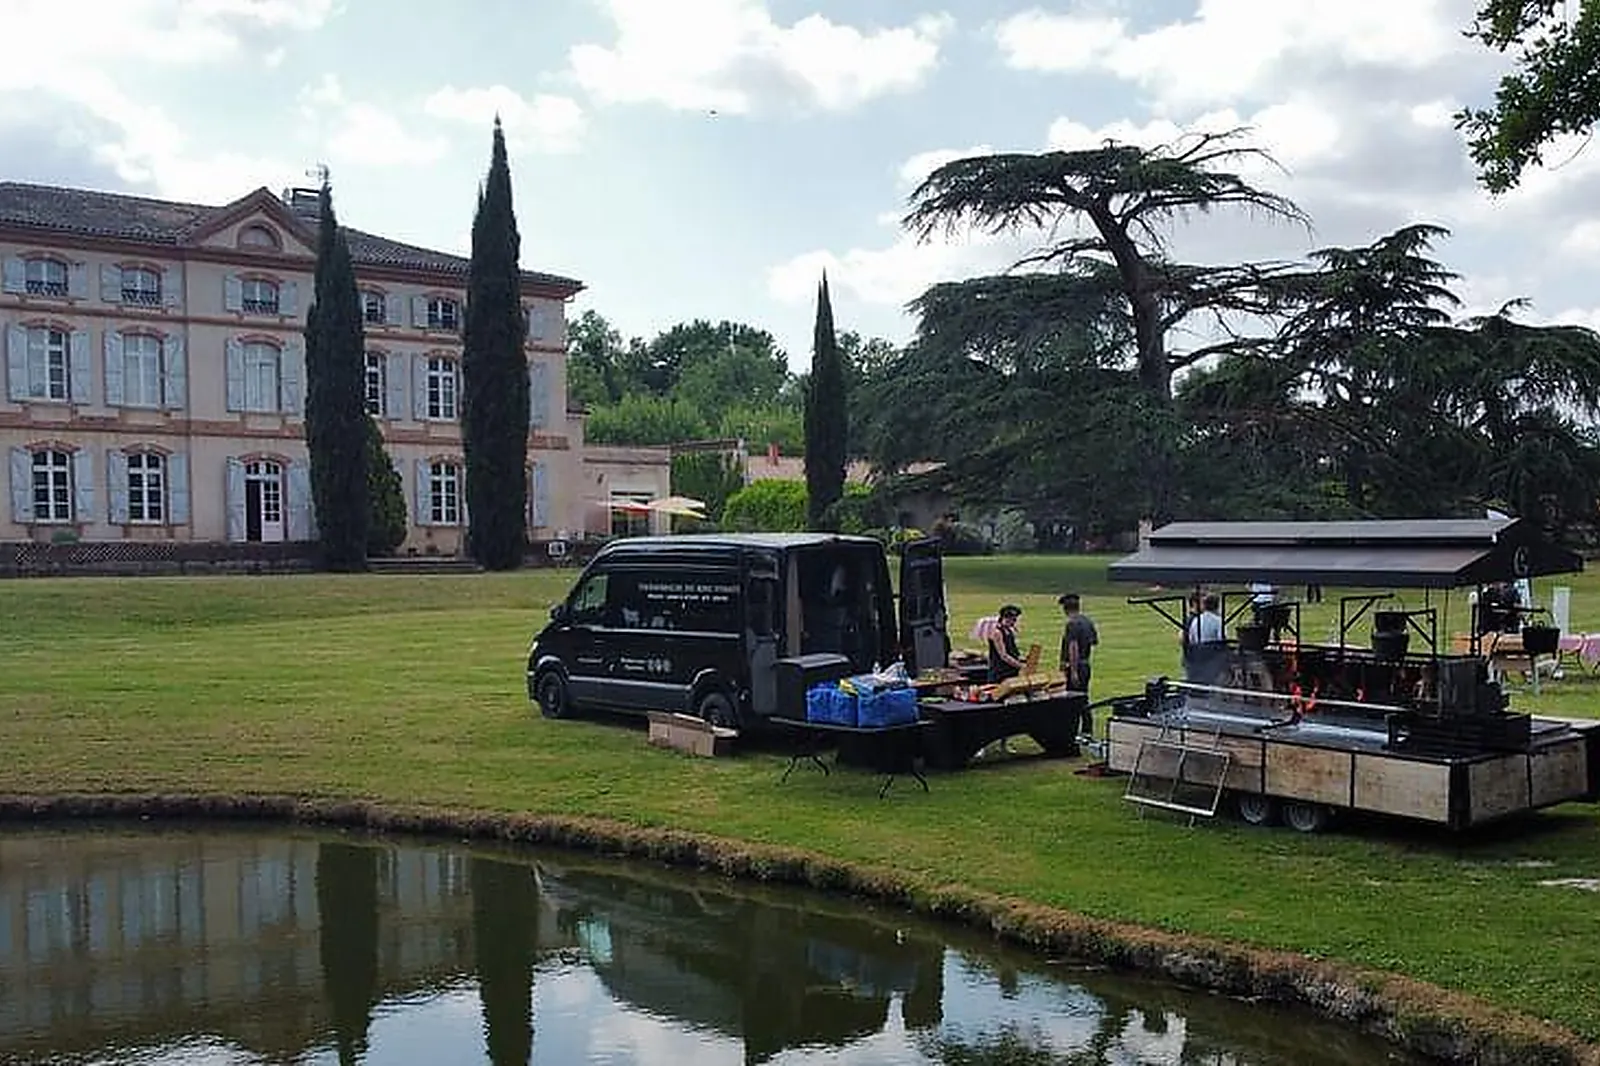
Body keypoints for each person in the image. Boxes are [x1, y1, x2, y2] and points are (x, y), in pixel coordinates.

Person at [1057, 593, 1098, 695]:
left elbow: (1073, 647)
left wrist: (1074, 671)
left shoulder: (1072, 624)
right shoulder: (1088, 622)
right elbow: (1094, 642)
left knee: (1073, 696)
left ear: (1066, 609)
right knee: (1083, 694)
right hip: (1085, 665)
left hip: (1075, 666)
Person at [1182, 593, 1227, 683]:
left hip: (1196, 655)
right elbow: (1222, 640)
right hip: (1212, 657)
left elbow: (1191, 638)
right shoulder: (1218, 621)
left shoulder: (1196, 620)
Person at [987, 604, 1027, 683]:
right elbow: (1004, 655)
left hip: (1011, 671)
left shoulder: (1009, 631)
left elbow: (1012, 650)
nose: (1013, 623)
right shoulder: (997, 633)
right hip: (1000, 673)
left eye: (1015, 620)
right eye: (1012, 620)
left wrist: (1023, 658)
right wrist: (1020, 665)